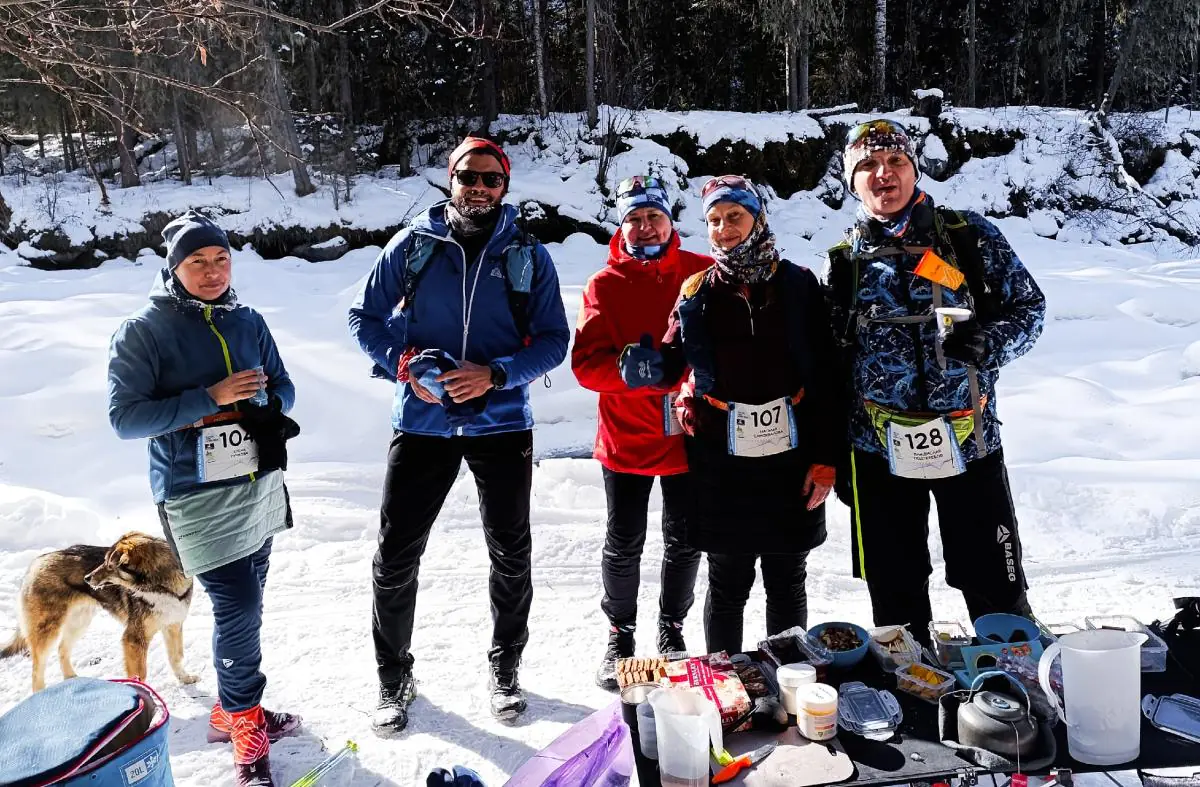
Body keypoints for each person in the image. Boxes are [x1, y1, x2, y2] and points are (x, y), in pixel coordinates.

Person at [349, 136, 570, 733]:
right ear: (450, 179)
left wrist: (495, 374)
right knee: (396, 555)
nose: (479, 188)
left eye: (491, 179)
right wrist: (404, 365)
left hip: (502, 422)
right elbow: (364, 318)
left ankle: (506, 668)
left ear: (505, 187)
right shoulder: (413, 245)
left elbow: (555, 340)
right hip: (422, 423)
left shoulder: (527, 254)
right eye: (468, 176)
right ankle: (393, 677)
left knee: (510, 553)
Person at [824, 119, 1046, 646]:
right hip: (879, 452)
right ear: (852, 182)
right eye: (868, 166)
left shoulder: (968, 236)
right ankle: (911, 682)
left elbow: (1030, 308)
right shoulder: (844, 261)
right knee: (895, 592)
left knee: (994, 581)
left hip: (970, 442)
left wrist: (989, 343)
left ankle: (1014, 673)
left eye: (895, 162)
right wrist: (834, 453)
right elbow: (832, 360)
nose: (884, 174)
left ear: (914, 169)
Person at [107, 211, 302, 787]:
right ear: (174, 267)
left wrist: (264, 403)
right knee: (237, 604)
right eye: (197, 262)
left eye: (221, 259)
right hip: (193, 493)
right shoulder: (143, 330)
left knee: (249, 601)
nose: (213, 272)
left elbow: (285, 387)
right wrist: (209, 399)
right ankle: (246, 725)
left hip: (257, 480)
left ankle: (231, 710)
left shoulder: (248, 320)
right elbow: (125, 419)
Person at [622, 176, 838, 654]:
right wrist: (651, 367)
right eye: (714, 221)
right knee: (727, 580)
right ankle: (728, 680)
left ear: (757, 218)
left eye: (734, 216)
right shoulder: (696, 290)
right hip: (722, 455)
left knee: (786, 575)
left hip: (791, 451)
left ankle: (787, 676)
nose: (724, 229)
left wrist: (826, 458)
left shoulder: (798, 284)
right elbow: (674, 360)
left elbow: (826, 373)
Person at [572, 176, 709, 690]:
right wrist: (622, 372)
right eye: (634, 218)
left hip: (688, 432)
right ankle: (620, 635)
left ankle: (672, 629)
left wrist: (690, 372)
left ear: (670, 222)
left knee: (684, 539)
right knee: (624, 540)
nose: (645, 226)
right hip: (625, 435)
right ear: (621, 225)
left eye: (654, 216)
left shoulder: (700, 271)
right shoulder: (603, 284)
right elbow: (584, 365)